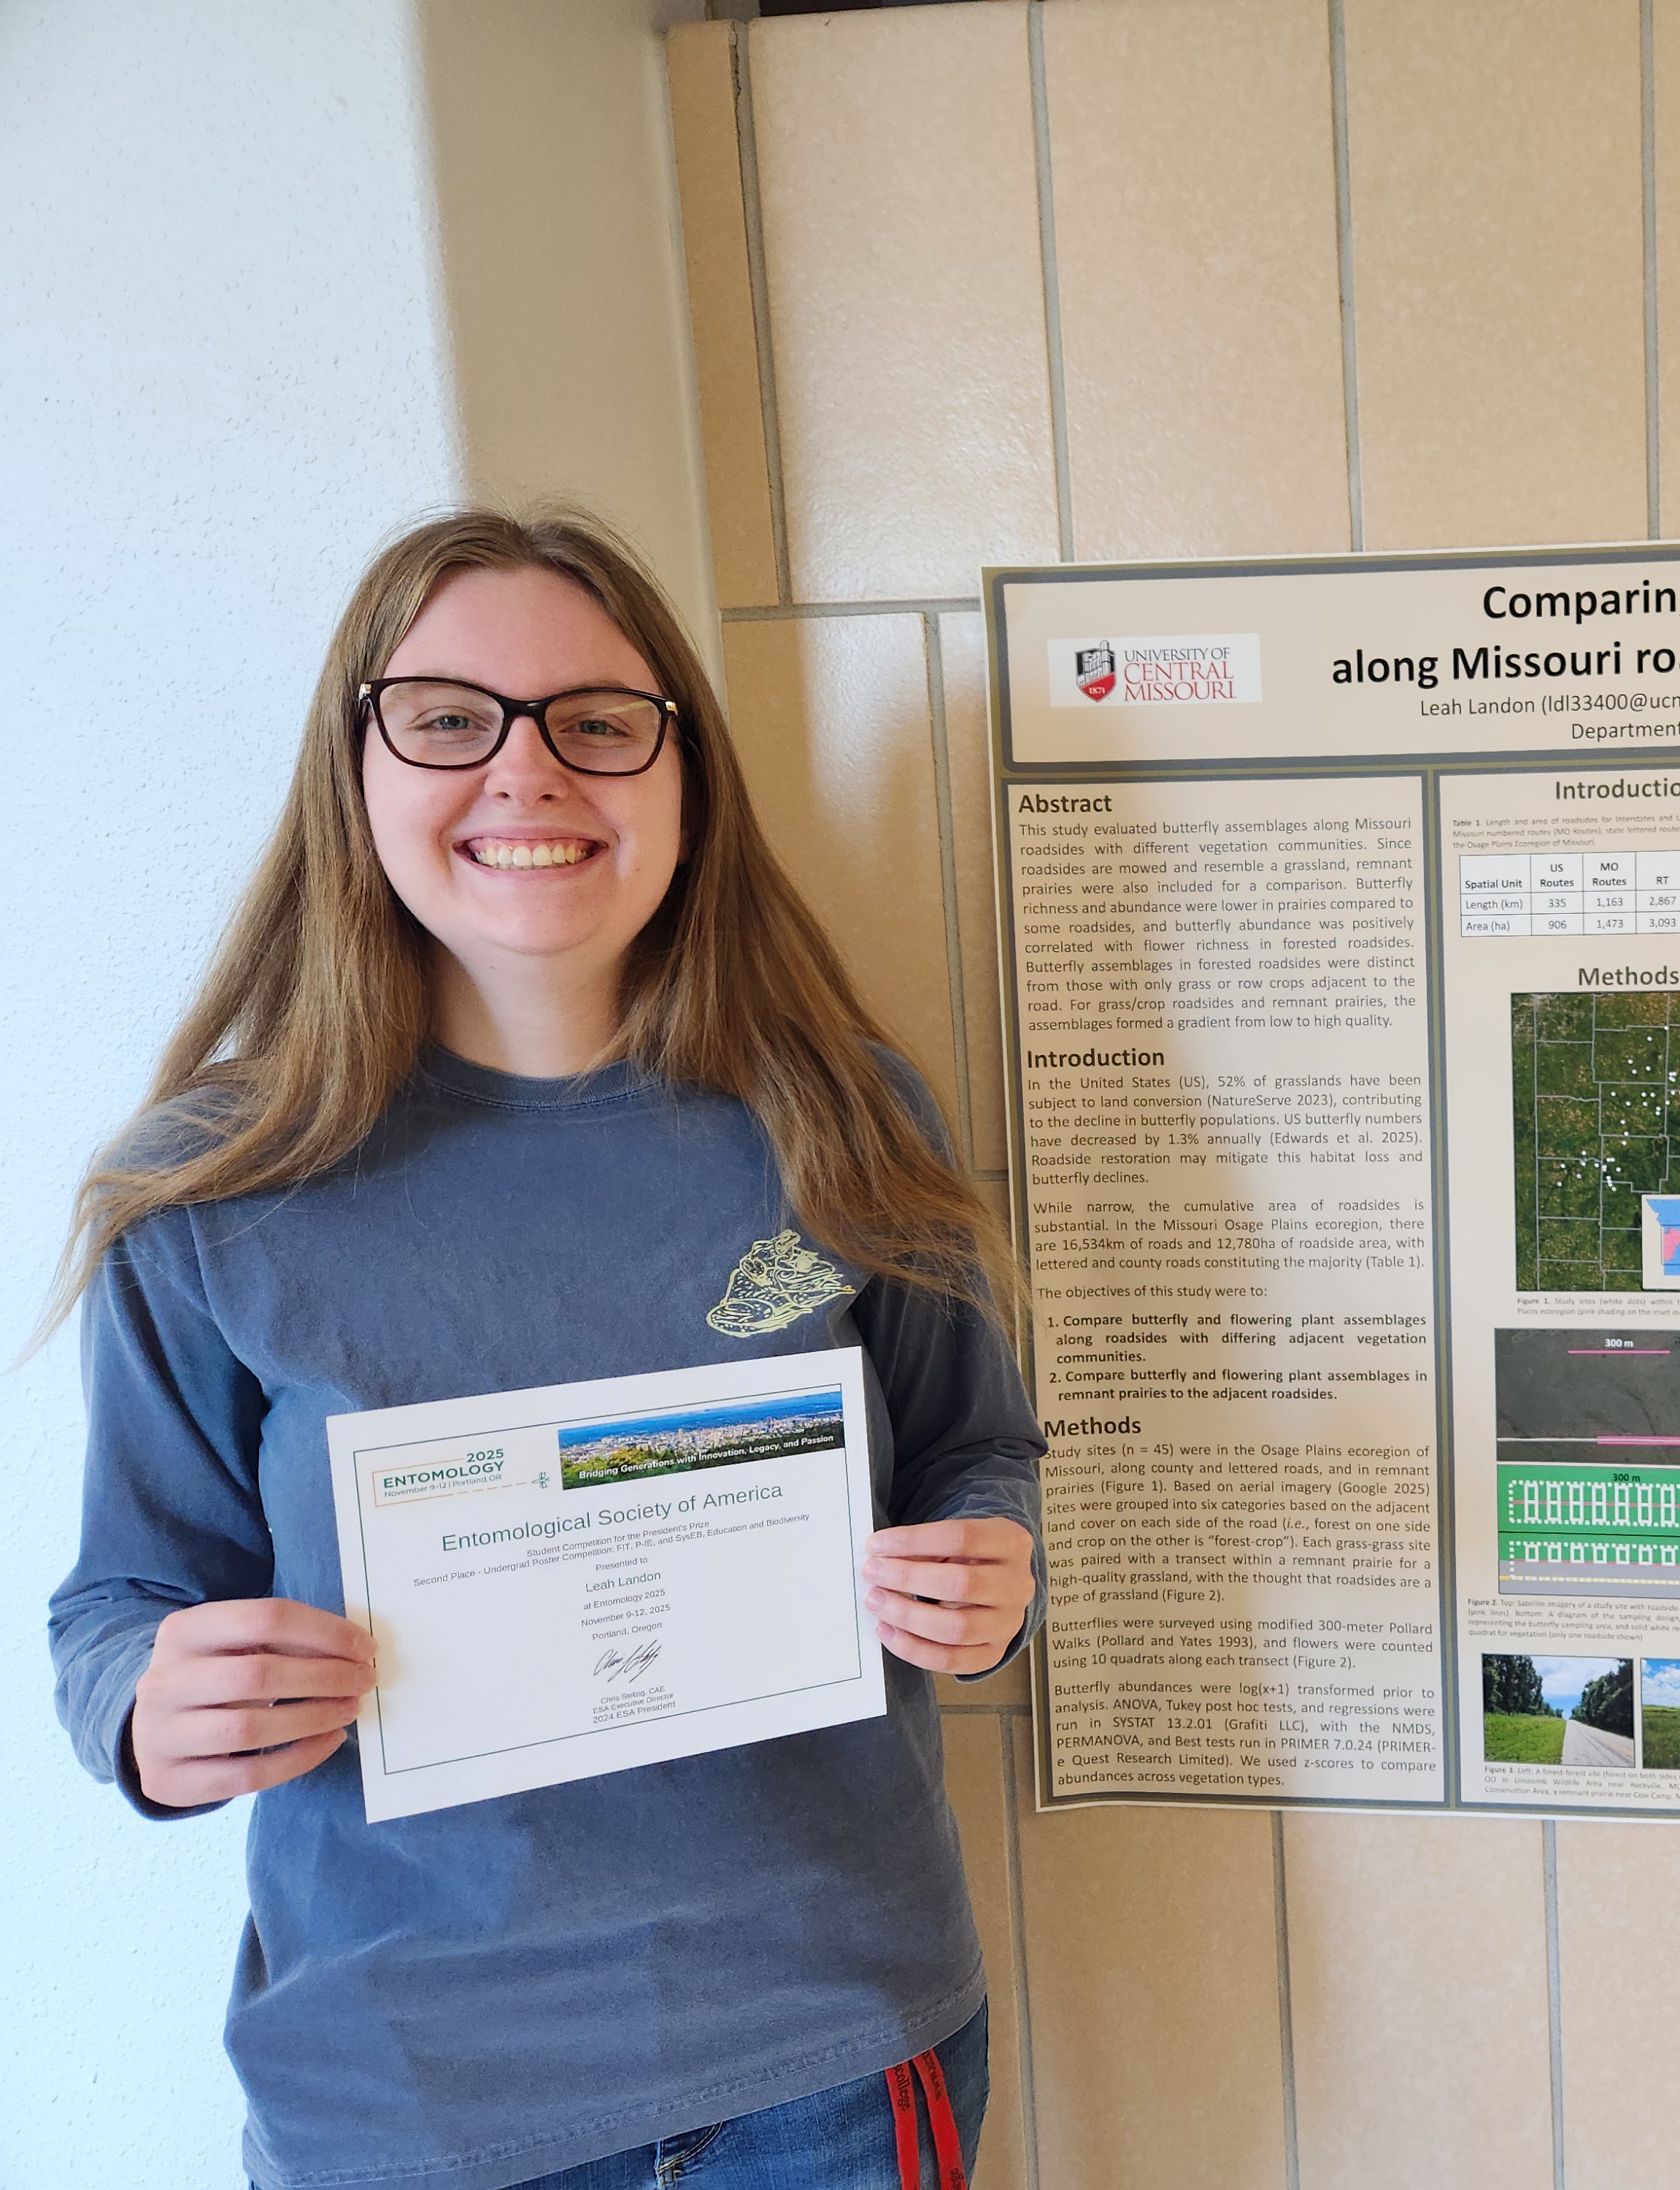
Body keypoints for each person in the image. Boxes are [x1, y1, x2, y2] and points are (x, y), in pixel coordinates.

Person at [45, 509, 1044, 2190]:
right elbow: (115, 1609)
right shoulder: (208, 1190)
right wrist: (147, 1713)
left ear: (684, 776)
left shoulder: (845, 1123)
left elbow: (976, 1453)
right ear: (353, 768)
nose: (527, 774)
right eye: (448, 718)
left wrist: (992, 1566)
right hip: (414, 2100)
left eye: (597, 721)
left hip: (831, 2061)